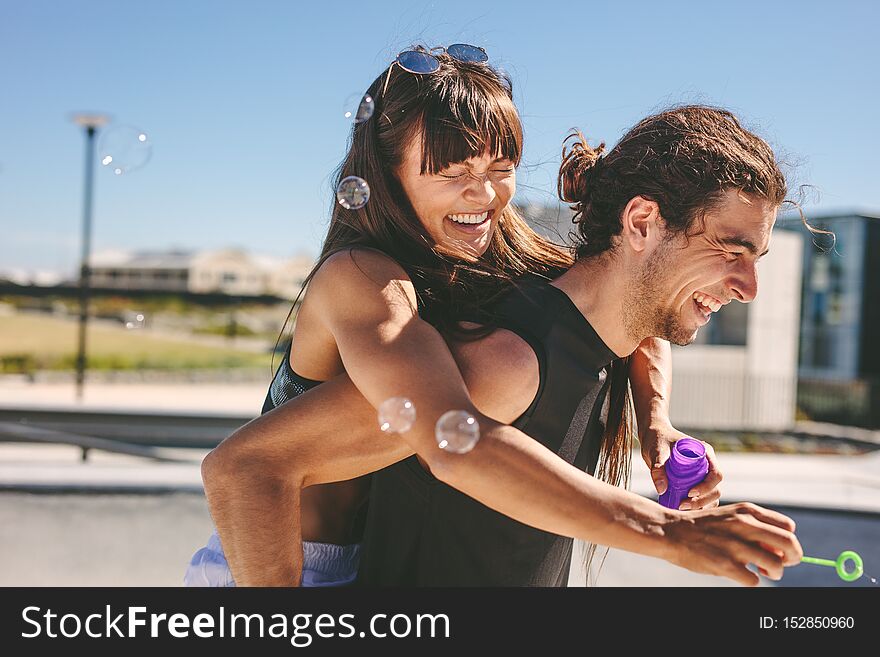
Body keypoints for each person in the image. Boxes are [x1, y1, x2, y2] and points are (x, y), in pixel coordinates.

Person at [190, 47, 798, 586]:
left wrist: (655, 424)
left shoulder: (504, 245)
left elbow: (633, 305)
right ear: (388, 172)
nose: (483, 196)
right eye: (454, 174)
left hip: (365, 553)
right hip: (280, 559)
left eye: (499, 172)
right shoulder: (364, 279)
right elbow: (453, 439)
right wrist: (668, 533)